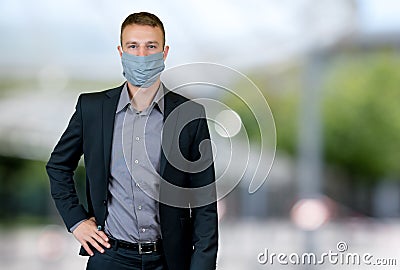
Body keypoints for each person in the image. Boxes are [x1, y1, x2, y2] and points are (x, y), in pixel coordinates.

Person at [46, 12, 218, 270]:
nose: (141, 55)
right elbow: (58, 166)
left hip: (170, 261)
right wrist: (77, 221)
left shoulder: (190, 115)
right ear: (120, 51)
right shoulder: (92, 109)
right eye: (133, 46)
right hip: (109, 257)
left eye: (151, 46)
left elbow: (205, 202)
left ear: (164, 52)